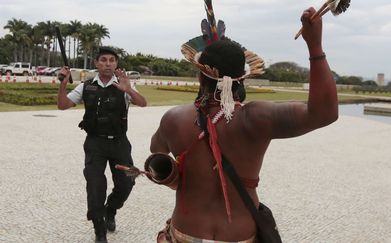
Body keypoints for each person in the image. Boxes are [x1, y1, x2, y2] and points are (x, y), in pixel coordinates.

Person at [146, 6, 338, 243]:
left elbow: (157, 151)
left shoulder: (174, 119)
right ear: (242, 78)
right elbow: (325, 113)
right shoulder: (256, 118)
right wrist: (315, 46)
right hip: (240, 236)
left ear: (200, 76)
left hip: (186, 232)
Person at [57, 46, 147, 243]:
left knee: (127, 182)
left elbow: (143, 103)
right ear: (96, 63)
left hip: (120, 143)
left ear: (116, 64)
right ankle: (99, 229)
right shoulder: (86, 86)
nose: (108, 64)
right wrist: (63, 84)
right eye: (104, 60)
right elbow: (63, 105)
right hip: (95, 143)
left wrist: (129, 89)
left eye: (112, 60)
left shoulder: (123, 84)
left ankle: (111, 209)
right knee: (95, 185)